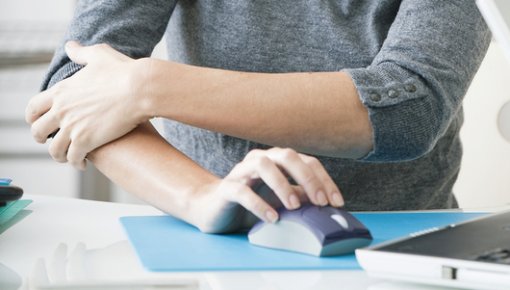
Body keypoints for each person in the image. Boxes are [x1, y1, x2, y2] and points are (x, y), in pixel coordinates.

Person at [25, 0, 490, 233]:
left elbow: (412, 108)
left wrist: (148, 86)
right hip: (207, 242)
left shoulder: (146, 84)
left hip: (400, 243)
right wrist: (202, 198)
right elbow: (75, 88)